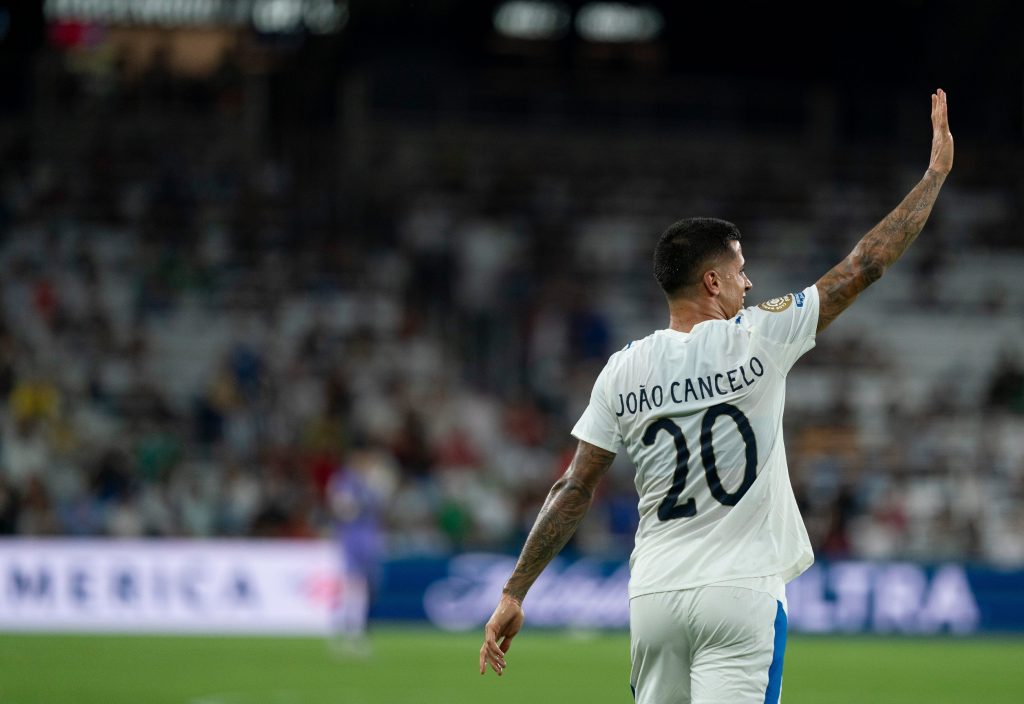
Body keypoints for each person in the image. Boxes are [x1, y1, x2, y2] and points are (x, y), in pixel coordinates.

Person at [479, 90, 954, 702]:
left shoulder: (622, 369)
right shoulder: (759, 336)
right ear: (712, 281)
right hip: (741, 591)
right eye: (739, 270)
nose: (748, 283)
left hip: (655, 597)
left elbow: (573, 489)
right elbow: (864, 265)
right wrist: (934, 176)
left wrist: (514, 591)